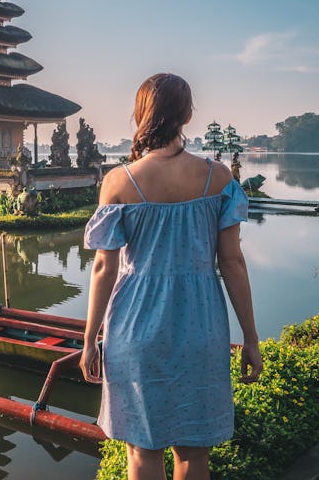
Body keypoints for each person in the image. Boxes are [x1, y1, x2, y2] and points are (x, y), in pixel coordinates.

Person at [81, 73, 262, 480]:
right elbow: (232, 262)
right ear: (188, 114)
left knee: (143, 457)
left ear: (141, 114)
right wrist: (251, 338)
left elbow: (103, 268)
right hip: (201, 330)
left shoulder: (118, 183)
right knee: (194, 457)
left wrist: (90, 339)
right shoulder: (218, 178)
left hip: (135, 330)